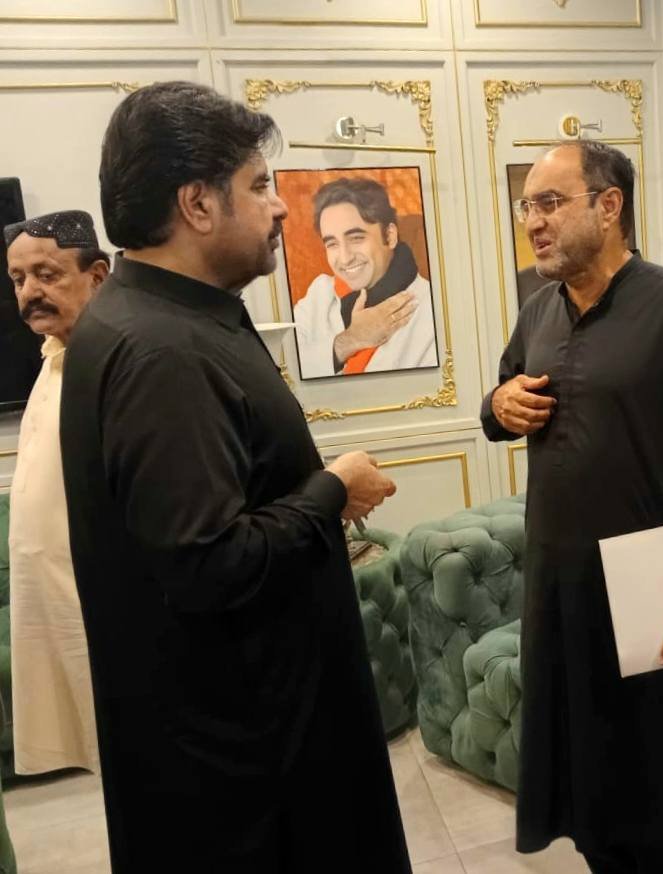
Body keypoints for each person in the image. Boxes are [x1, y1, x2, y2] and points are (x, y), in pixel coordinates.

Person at [59, 81, 412, 874]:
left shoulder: (167, 317)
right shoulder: (162, 351)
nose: (281, 207)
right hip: (248, 775)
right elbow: (208, 562)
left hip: (244, 745)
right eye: (258, 186)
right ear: (197, 204)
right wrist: (332, 488)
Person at [481, 140, 663, 874]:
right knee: (586, 766)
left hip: (655, 589)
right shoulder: (537, 310)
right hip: (558, 582)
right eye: (527, 206)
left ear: (609, 206)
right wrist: (497, 405)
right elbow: (501, 400)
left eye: (550, 202)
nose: (533, 222)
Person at [4, 210, 108, 776]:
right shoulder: (53, 357)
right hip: (55, 608)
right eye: (18, 279)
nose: (29, 293)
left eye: (46, 274)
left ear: (97, 275)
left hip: (100, 605)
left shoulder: (113, 360)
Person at [294, 176, 437, 378]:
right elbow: (280, 370)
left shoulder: (432, 309)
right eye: (332, 243)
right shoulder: (319, 294)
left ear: (390, 236)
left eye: (356, 238)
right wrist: (351, 340)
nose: (345, 258)